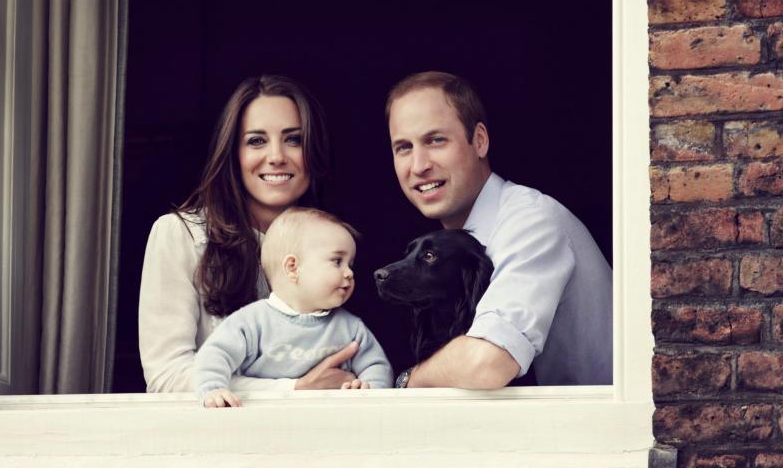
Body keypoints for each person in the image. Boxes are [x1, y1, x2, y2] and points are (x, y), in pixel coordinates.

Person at [385, 71, 612, 389]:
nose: (419, 165)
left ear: (479, 140)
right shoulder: (457, 247)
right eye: (403, 148)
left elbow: (487, 364)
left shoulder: (532, 222)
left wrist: (410, 381)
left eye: (435, 140)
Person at [139, 75, 361, 393]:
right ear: (233, 153)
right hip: (217, 436)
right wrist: (293, 389)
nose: (276, 156)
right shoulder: (179, 234)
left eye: (294, 139)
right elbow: (167, 376)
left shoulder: (336, 241)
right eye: (257, 140)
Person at [193, 207, 393, 407]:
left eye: (350, 264)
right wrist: (213, 389)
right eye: (337, 261)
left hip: (329, 426)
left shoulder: (351, 328)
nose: (349, 273)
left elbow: (377, 366)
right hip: (264, 423)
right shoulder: (251, 322)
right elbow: (214, 355)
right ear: (292, 268)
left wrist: (368, 391)